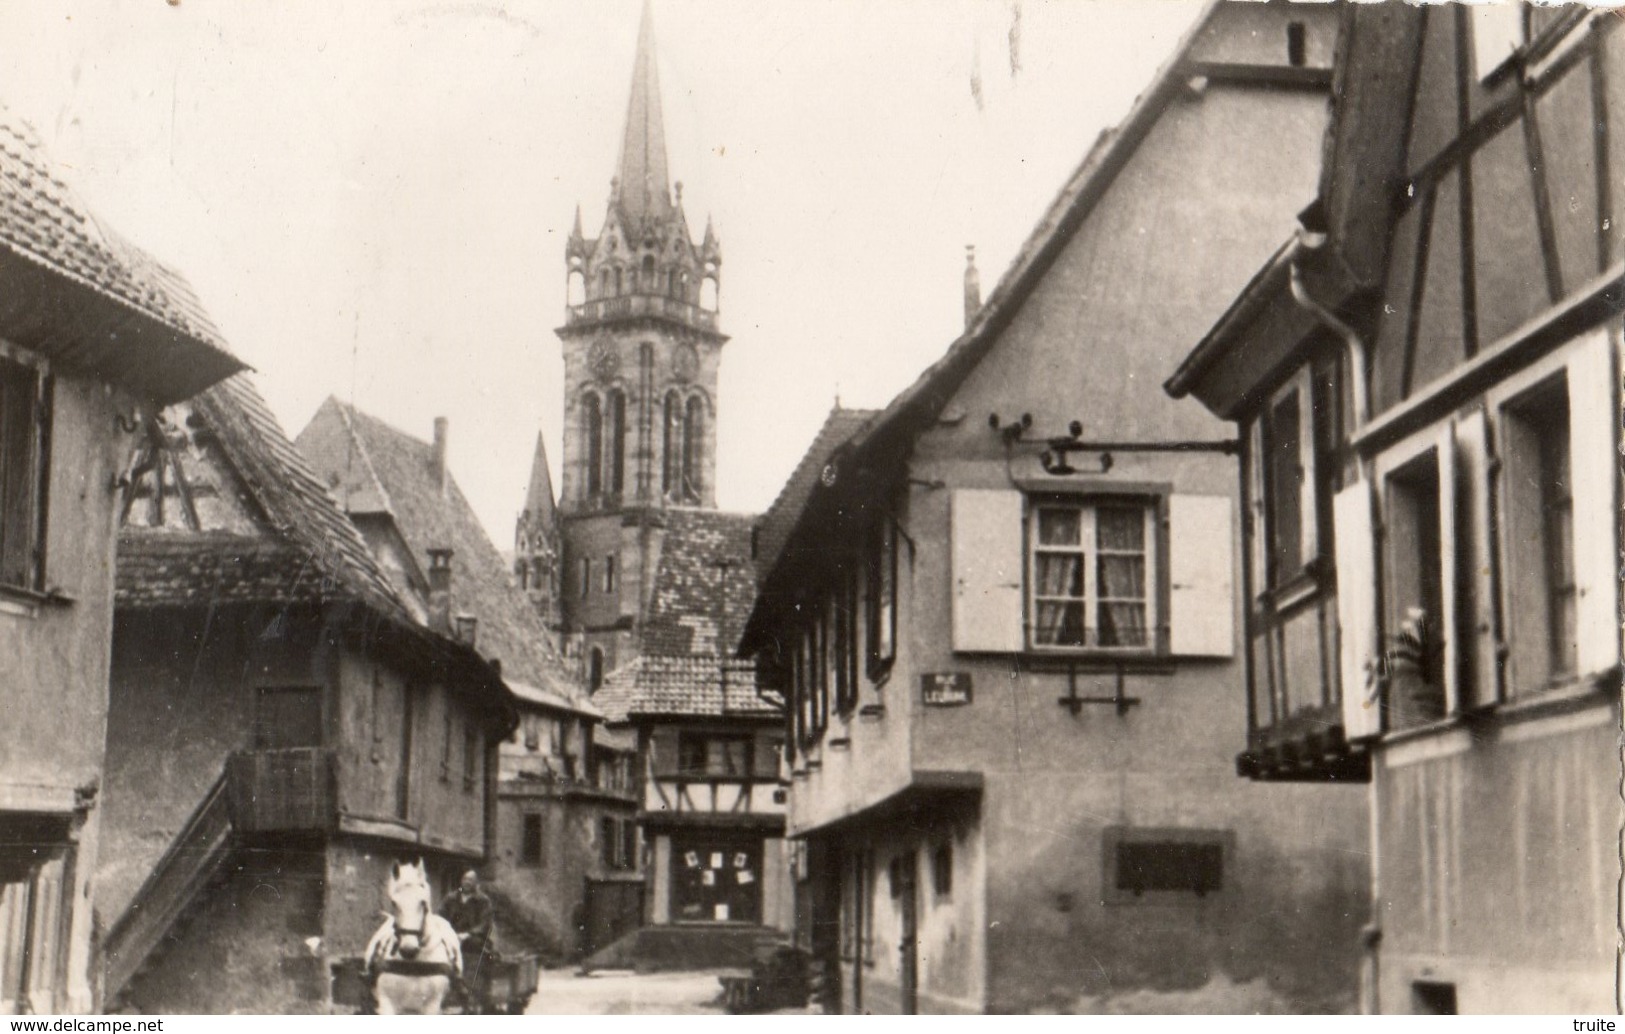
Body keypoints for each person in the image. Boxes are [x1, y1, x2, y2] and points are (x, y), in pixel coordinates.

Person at [439, 870, 495, 1007]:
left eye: (471, 880)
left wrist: (467, 934)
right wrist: (448, 933)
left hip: (474, 939)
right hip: (451, 937)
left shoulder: (483, 901)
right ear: (461, 880)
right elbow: (440, 916)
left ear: (476, 883)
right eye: (465, 879)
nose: (467, 882)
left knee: (474, 949)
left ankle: (470, 990)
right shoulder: (451, 898)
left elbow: (485, 923)